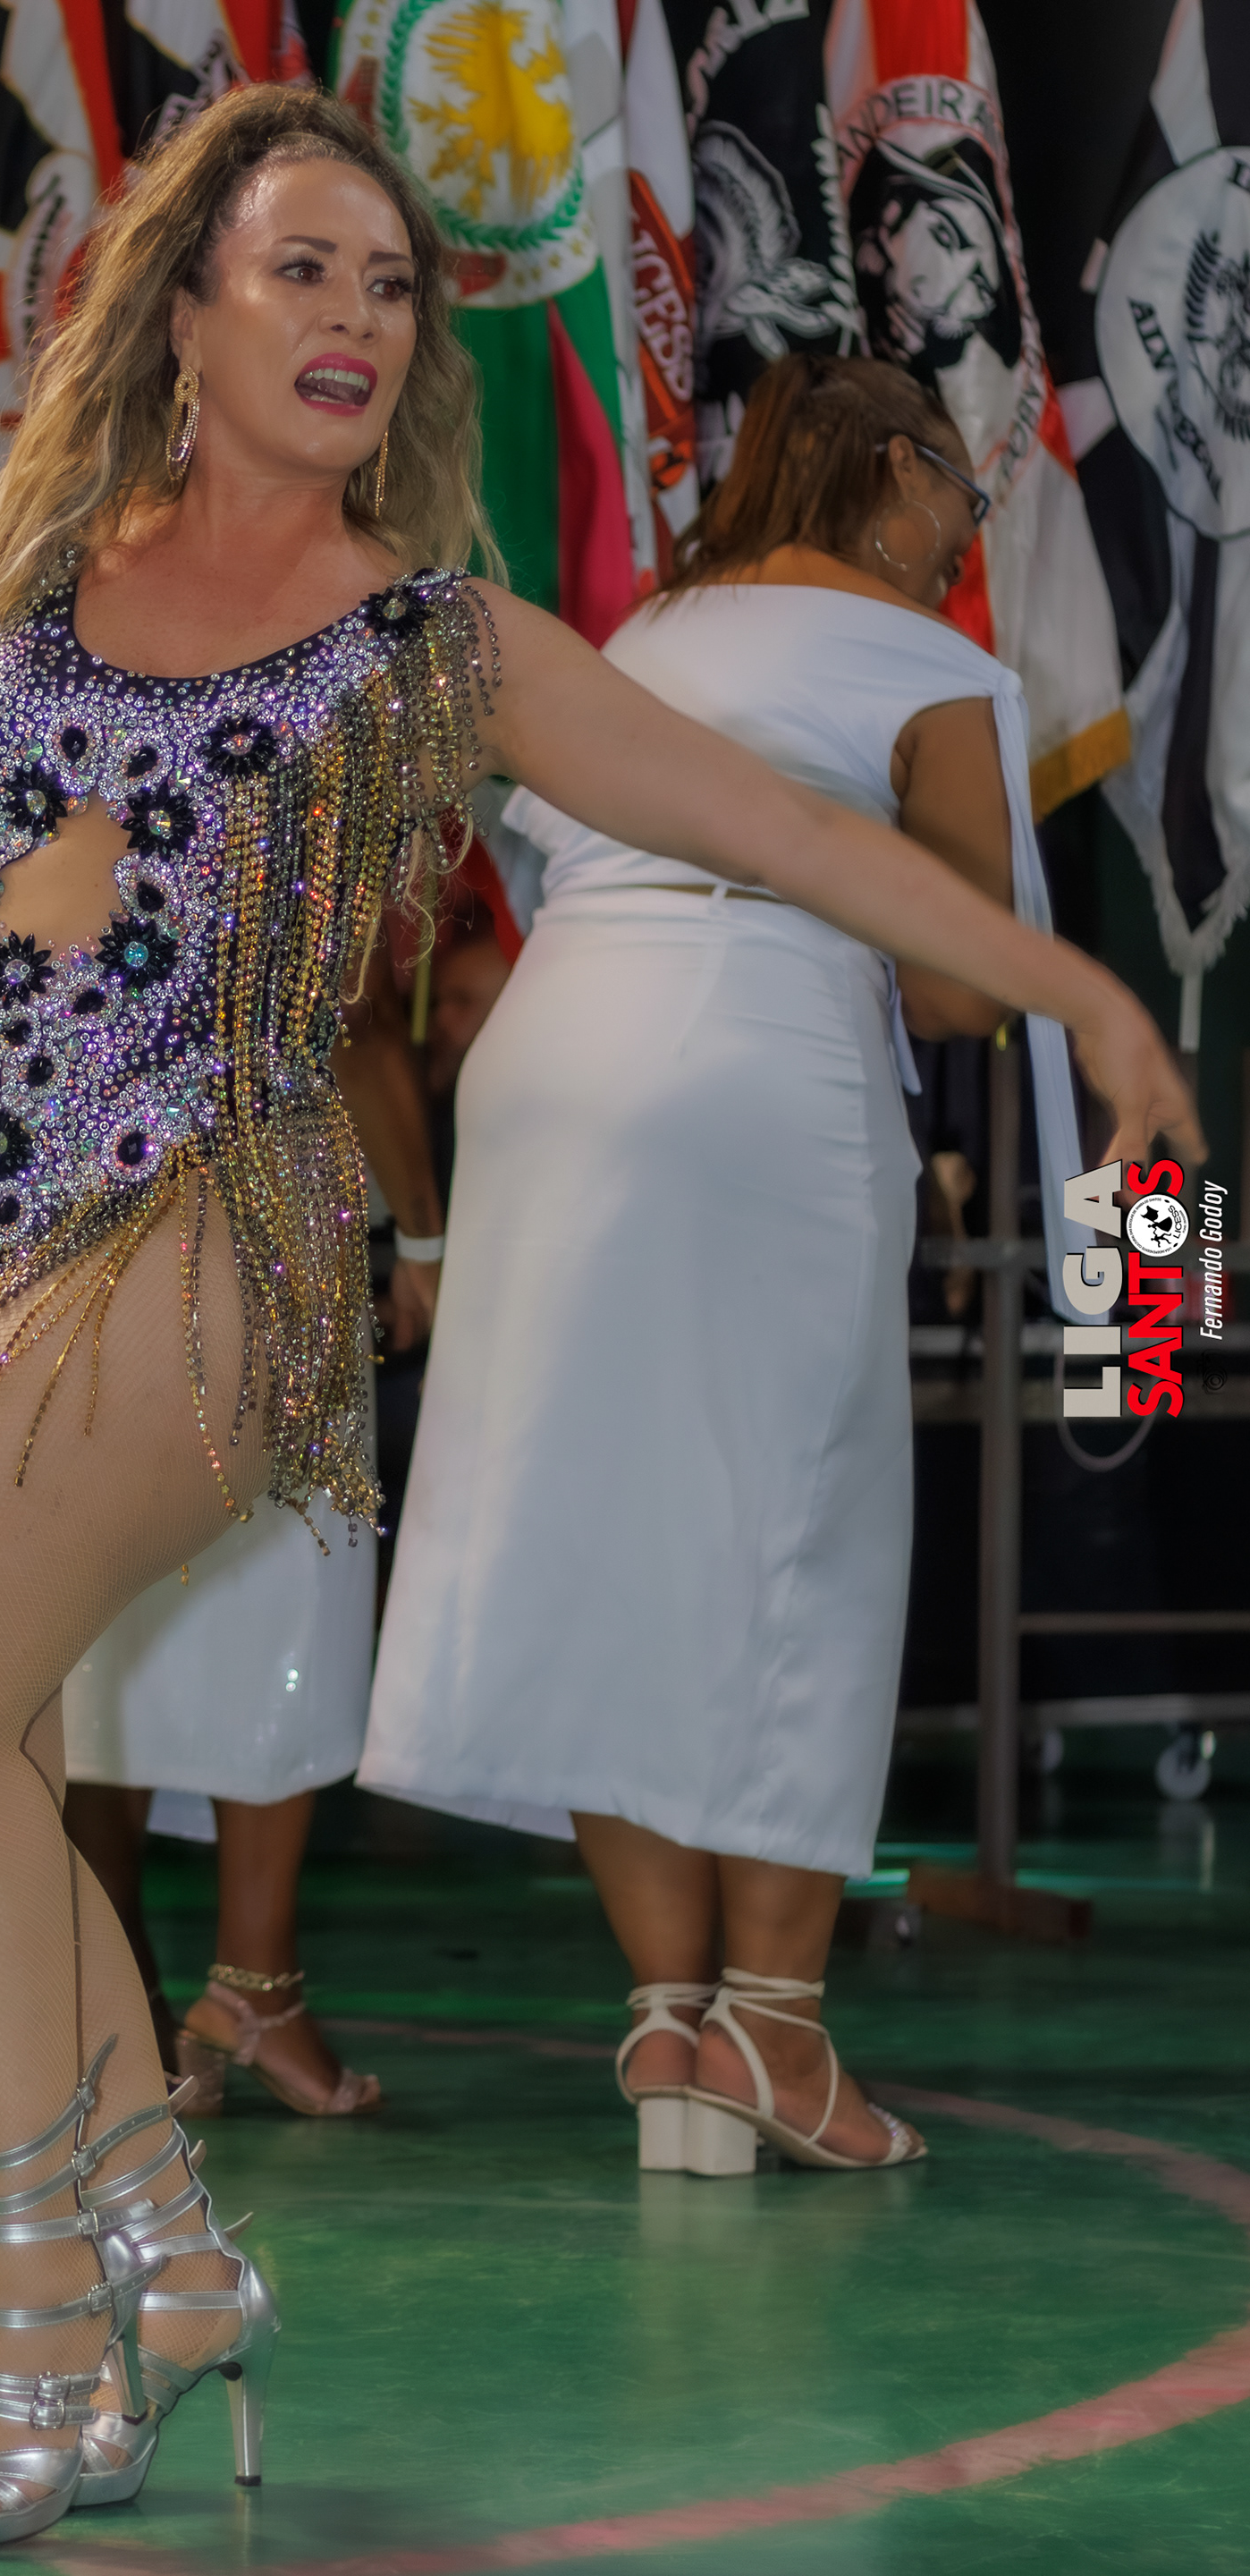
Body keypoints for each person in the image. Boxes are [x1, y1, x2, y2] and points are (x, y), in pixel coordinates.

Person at [0, 89, 1195, 2551]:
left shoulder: (438, 640)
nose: (358, 317)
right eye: (305, 270)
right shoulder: (26, 574)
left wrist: (1088, 999)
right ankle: (169, 2259)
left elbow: (792, 832)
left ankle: (36, 2314)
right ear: (182, 310)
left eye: (389, 285)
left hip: (209, 1213)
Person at [358, 351, 1204, 2182]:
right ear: (889, 472)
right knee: (801, 1536)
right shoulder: (923, 659)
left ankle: (673, 2023)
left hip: (556, 1056)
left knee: (601, 1534)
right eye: (958, 481)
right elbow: (959, 984)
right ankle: (780, 2032)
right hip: (755, 1059)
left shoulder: (648, 629)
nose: (970, 519)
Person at [62, 936, 442, 2119]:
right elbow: (356, 1014)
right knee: (287, 1568)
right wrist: (426, 1235)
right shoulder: (305, 808)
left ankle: (120, 1996)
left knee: (103, 1604)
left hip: (81, 1174)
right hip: (266, 1196)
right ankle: (252, 1983)